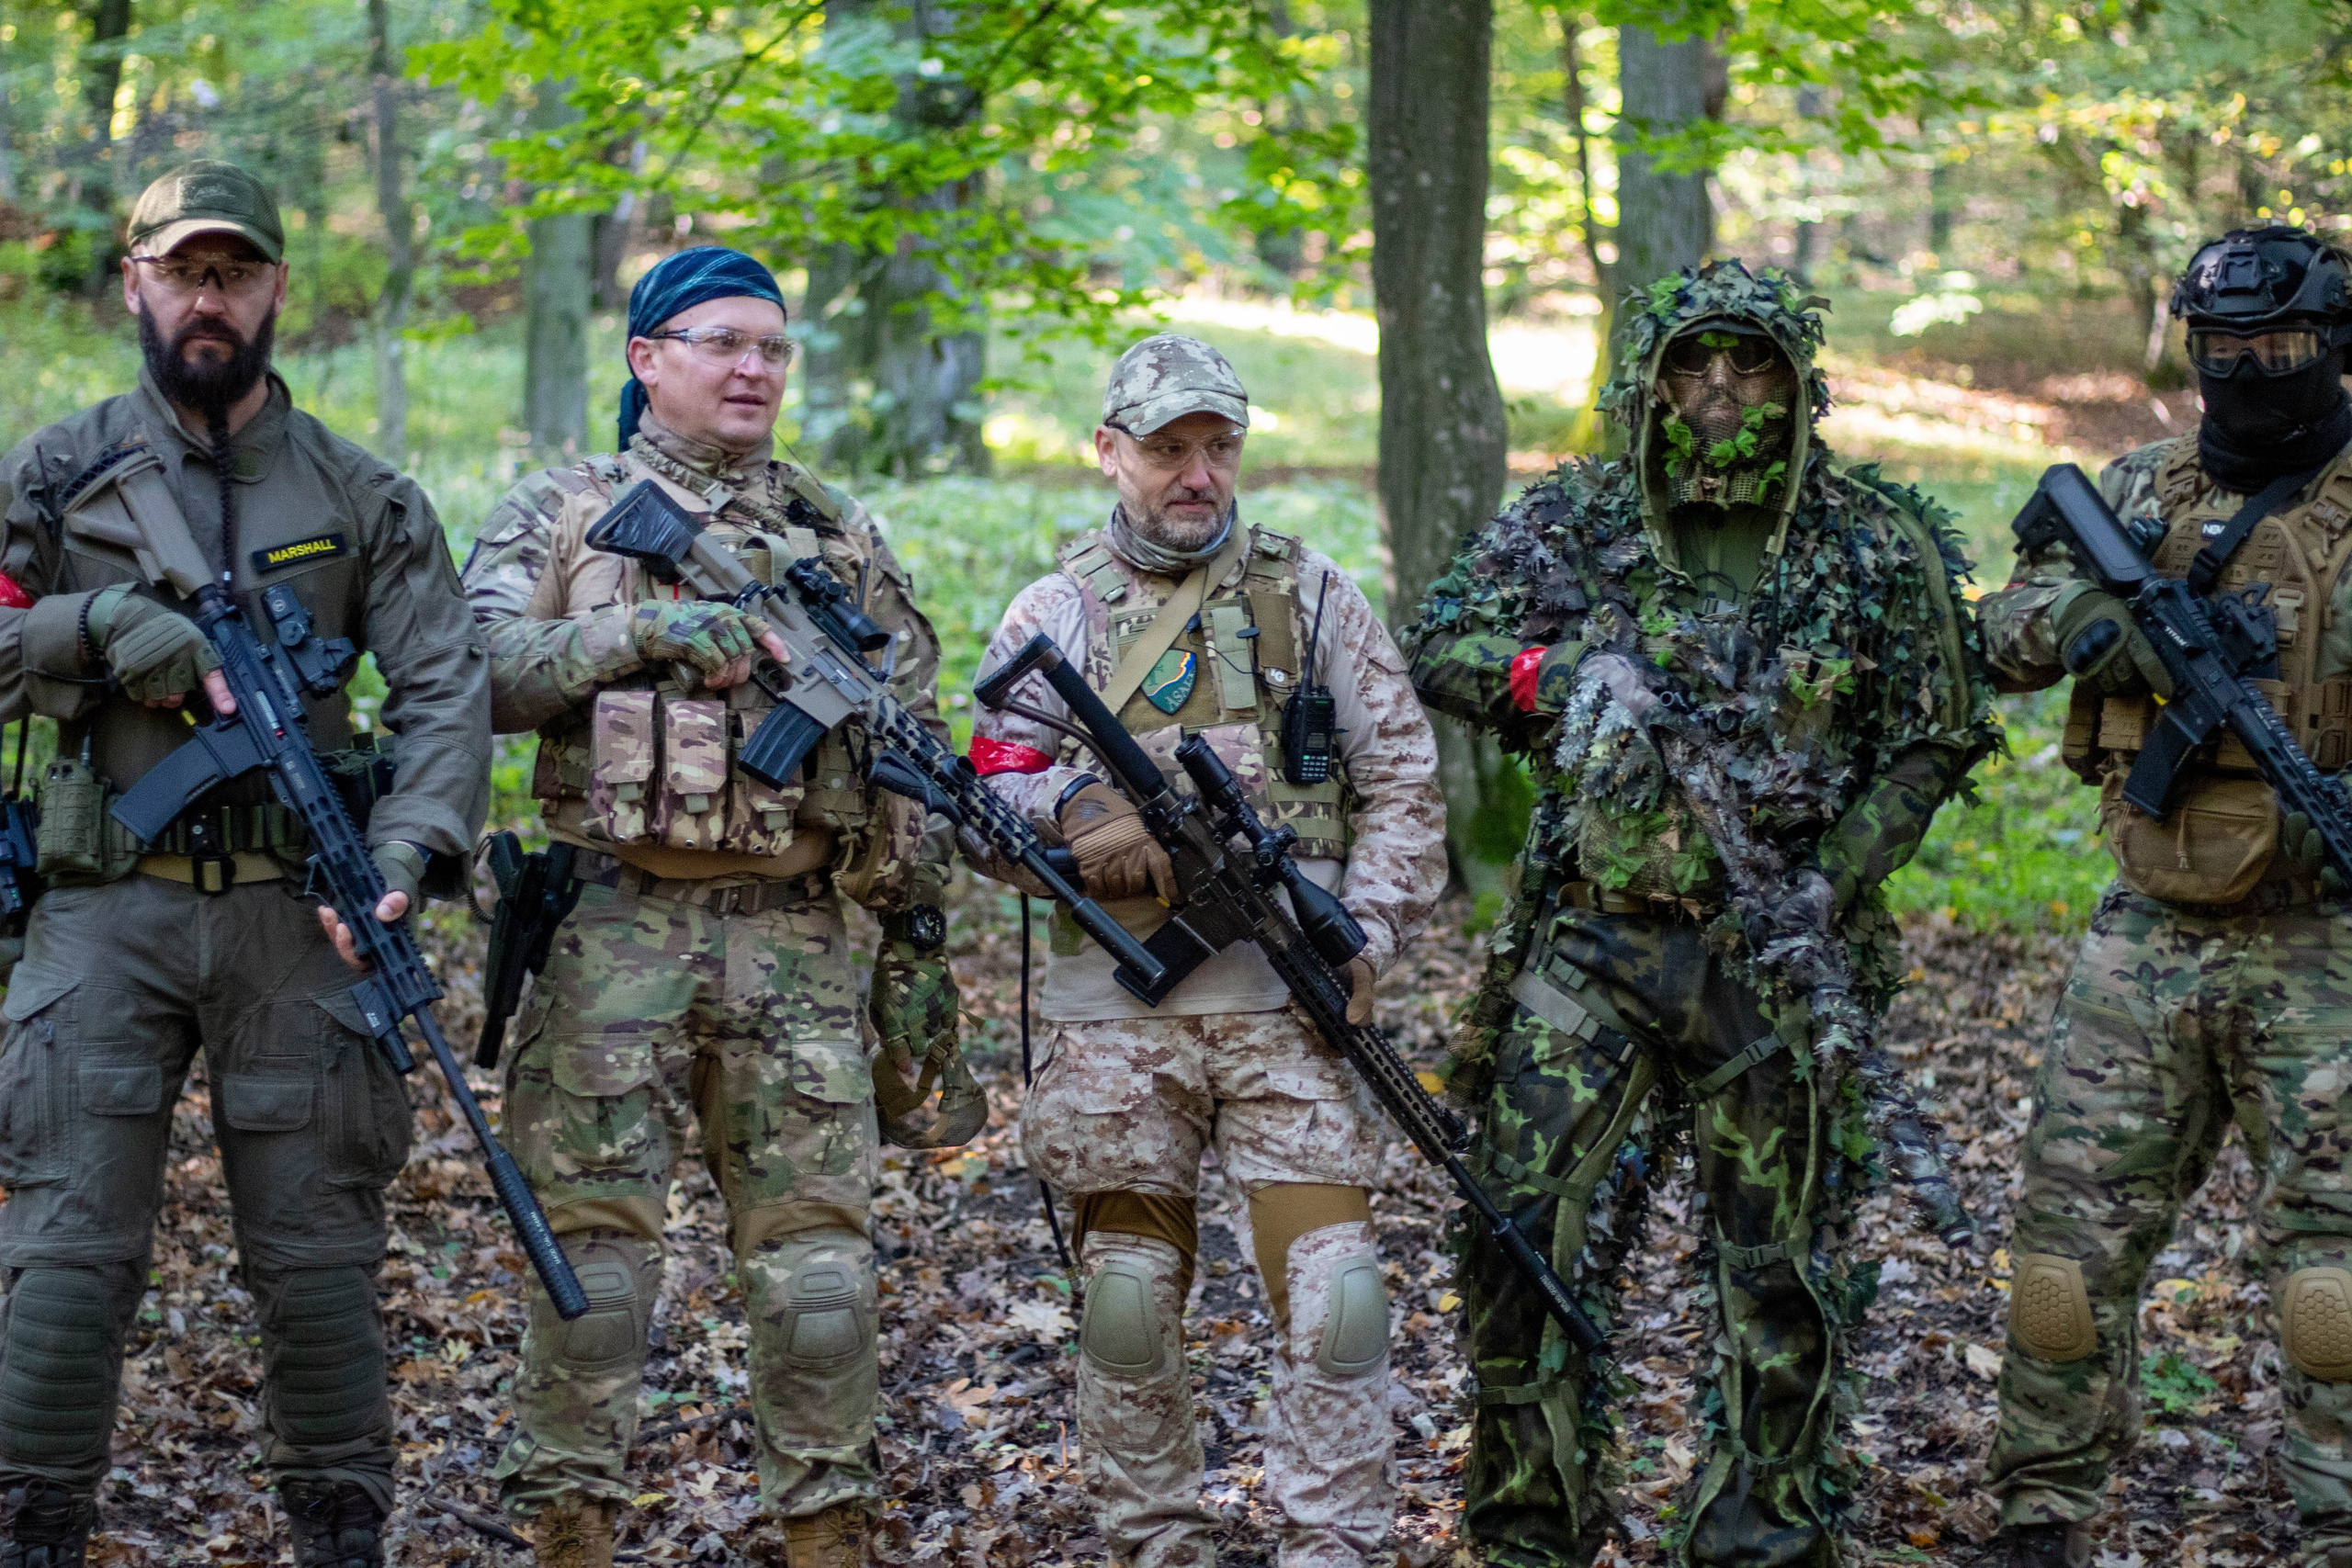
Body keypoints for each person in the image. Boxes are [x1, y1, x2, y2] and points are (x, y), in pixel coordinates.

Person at [1401, 261, 1996, 1567]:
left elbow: (1935, 735)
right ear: (1647, 378)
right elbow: (1441, 640)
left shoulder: (1874, 543)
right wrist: (1559, 675)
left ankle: (1757, 1541)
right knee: (1515, 1227)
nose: (1719, 389)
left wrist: (1829, 882)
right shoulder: (1580, 522)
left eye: (1752, 361)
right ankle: (1528, 1533)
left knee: (1777, 1274)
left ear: (1799, 381)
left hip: (1776, 963)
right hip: (1597, 942)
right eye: (1692, 361)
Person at [0, 160, 490, 1567]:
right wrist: (93, 630)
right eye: (181, 271)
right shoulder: (49, 473)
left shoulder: (358, 488)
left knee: (321, 1263)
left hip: (303, 919)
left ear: (276, 289)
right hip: (103, 918)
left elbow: (446, 691)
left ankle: (339, 1535)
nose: (207, 298)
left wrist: (406, 849)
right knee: (65, 1265)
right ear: (136, 284)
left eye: (235, 272)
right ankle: (33, 1530)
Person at [459, 244, 967, 1568]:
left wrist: (914, 902)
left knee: (817, 1274)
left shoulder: (838, 528)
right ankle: (568, 1535)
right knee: (597, 1267)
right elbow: (478, 674)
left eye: (774, 348)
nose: (754, 369)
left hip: (795, 937)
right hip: (613, 932)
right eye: (723, 342)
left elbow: (909, 717)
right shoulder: (569, 509)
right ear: (646, 360)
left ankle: (828, 1534)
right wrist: (634, 636)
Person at [965, 333, 1445, 1568]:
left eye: (1218, 446)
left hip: (1289, 1001)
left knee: (1337, 1295)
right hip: (1118, 1016)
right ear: (1109, 452)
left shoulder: (1317, 594)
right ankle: (1155, 1541)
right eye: (1169, 448)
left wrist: (1373, 932)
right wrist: (1070, 811)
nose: (1198, 473)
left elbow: (1403, 785)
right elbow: (977, 798)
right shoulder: (1053, 612)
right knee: (1127, 1302)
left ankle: (1328, 1542)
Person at [1976, 223, 2352, 1568]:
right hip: (2146, 935)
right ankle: (2042, 1511)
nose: (2251, 370)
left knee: (2332, 1281)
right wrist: (2090, 624)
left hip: (2325, 945)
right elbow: (2001, 630)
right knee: (2064, 1262)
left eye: (2280, 347)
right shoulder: (2136, 492)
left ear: (2335, 344)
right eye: (2223, 350)